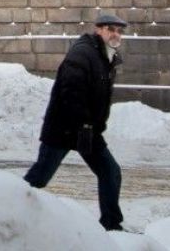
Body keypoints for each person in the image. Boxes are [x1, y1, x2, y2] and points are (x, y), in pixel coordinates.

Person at [24, 12, 128, 232]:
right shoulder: (82, 54)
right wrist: (84, 124)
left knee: (111, 172)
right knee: (40, 177)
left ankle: (111, 224)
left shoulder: (105, 57)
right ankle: (9, 205)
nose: (115, 34)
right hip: (64, 129)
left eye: (119, 31)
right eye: (111, 29)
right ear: (98, 29)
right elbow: (70, 92)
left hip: (88, 132)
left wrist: (92, 128)